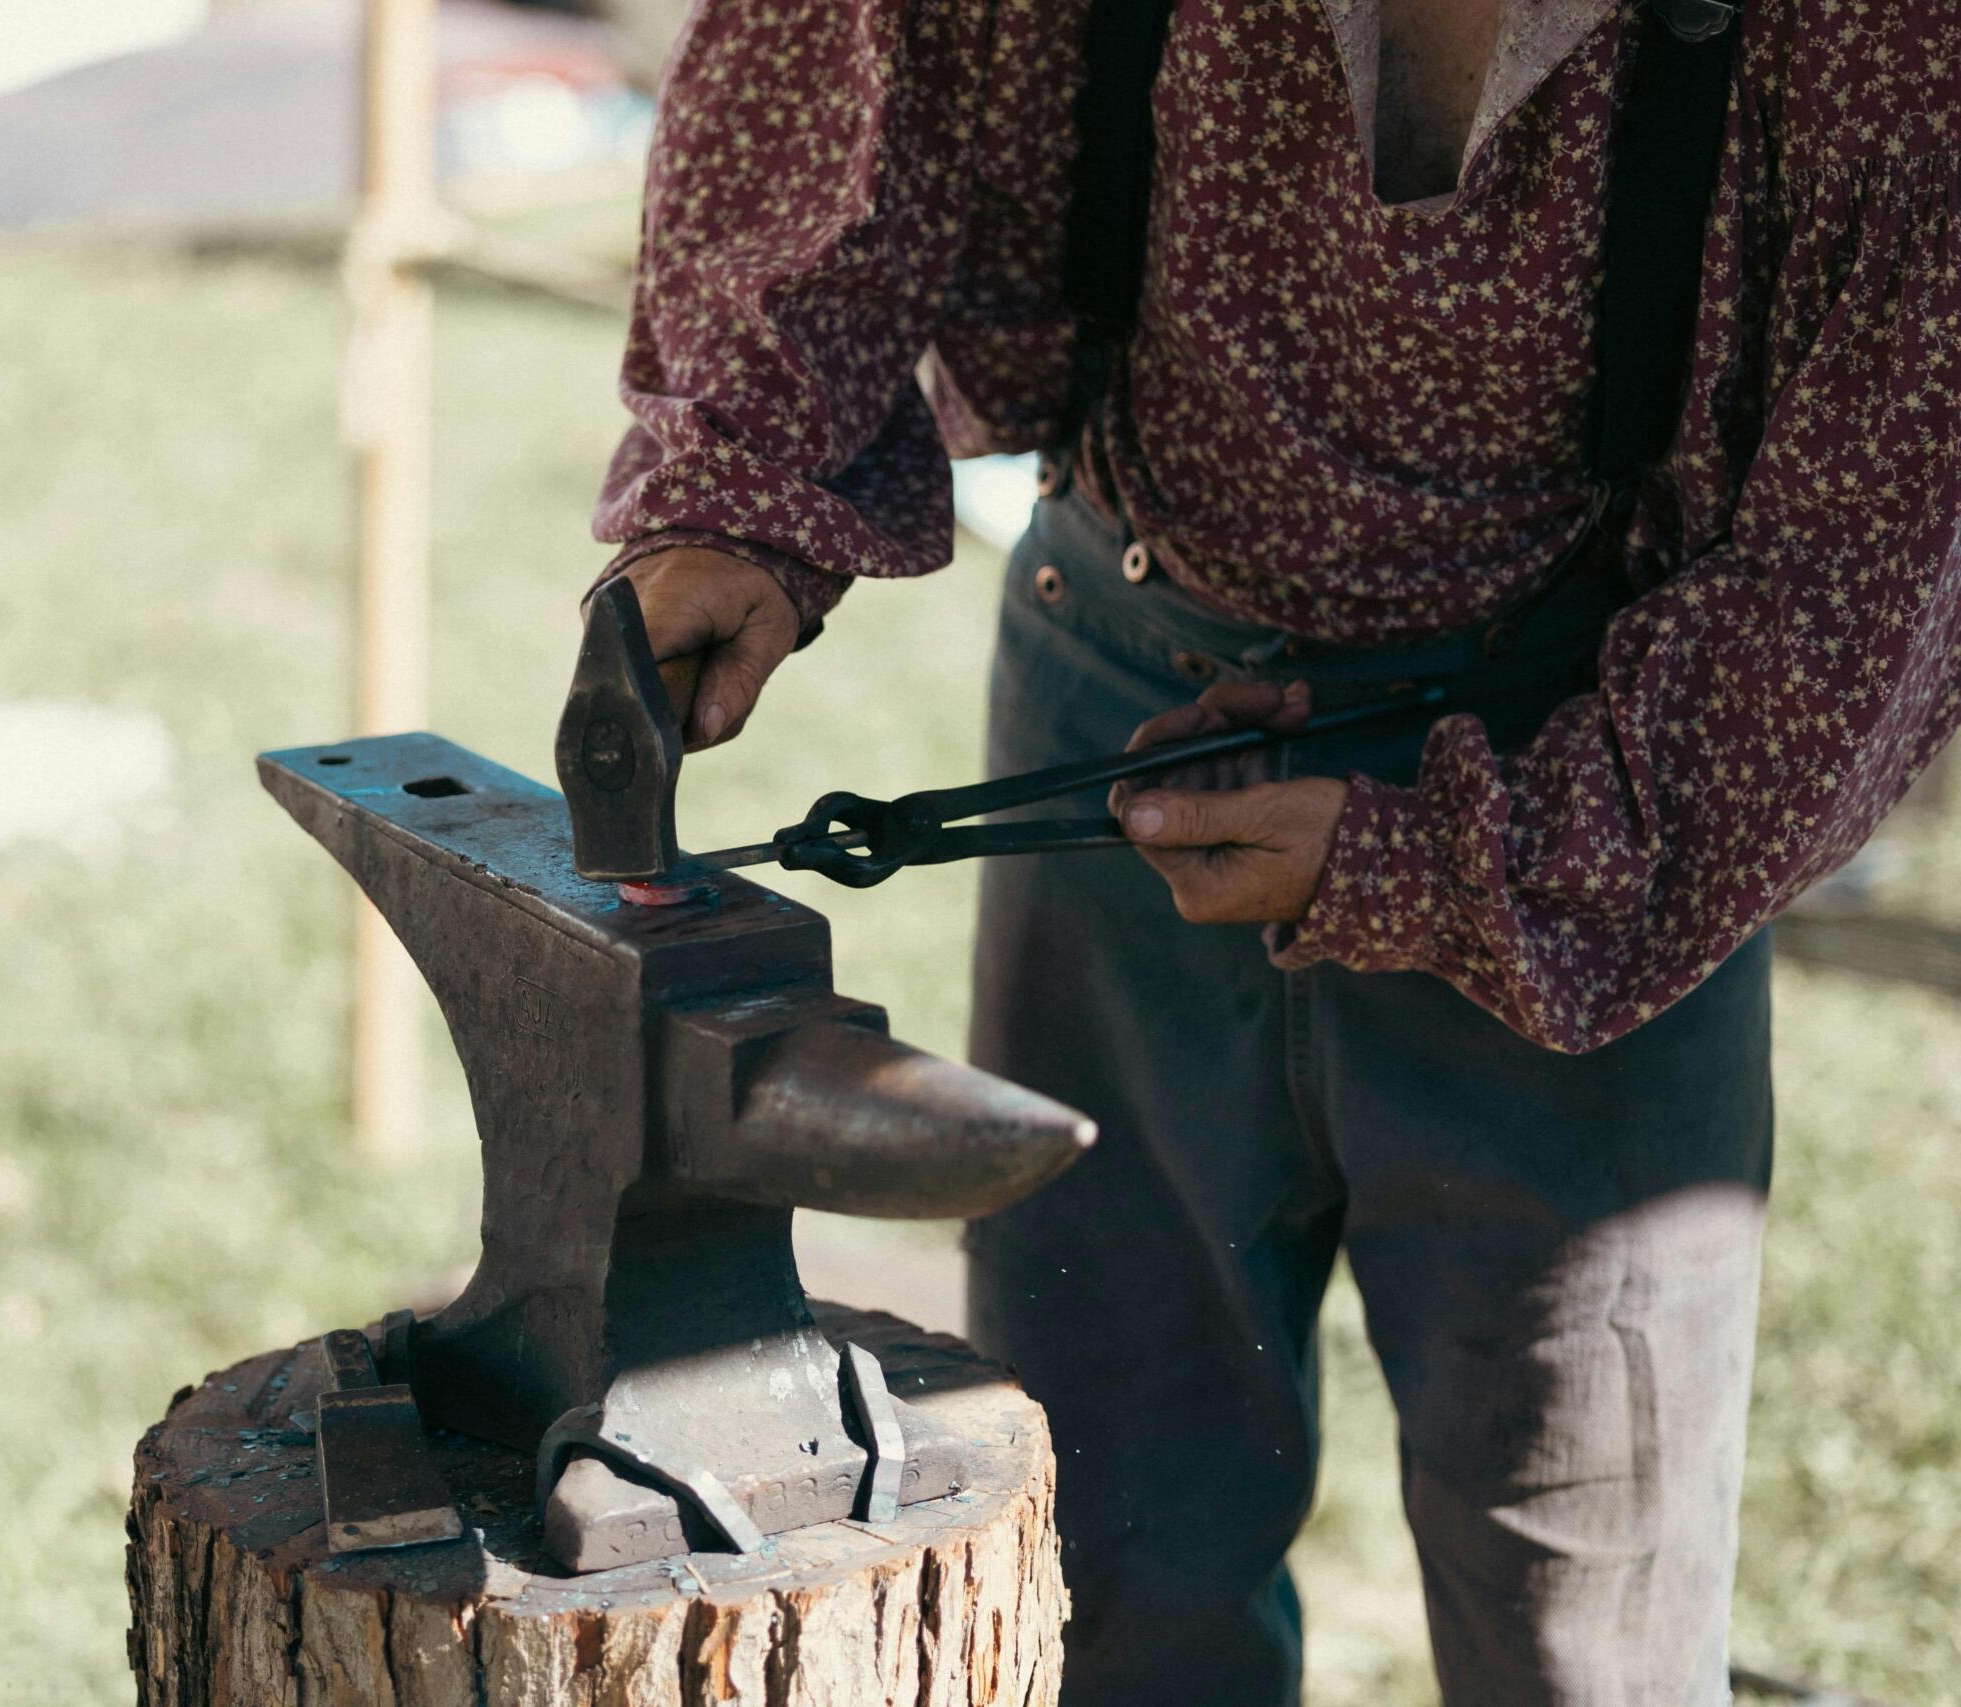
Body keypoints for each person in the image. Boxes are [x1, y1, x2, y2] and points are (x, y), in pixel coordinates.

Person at [581, 0, 1961, 1699]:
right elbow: (861, 58)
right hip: (1122, 712)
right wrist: (743, 490)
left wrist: (1466, 854)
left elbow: (1871, 570)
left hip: (1591, 806)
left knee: (1580, 1626)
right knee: (1114, 1562)